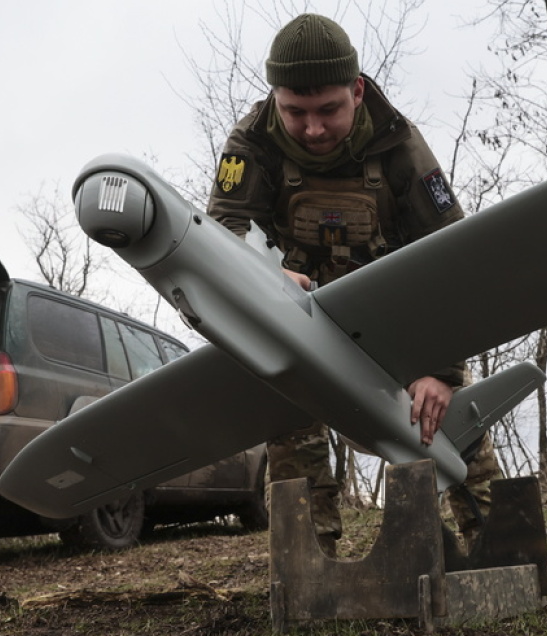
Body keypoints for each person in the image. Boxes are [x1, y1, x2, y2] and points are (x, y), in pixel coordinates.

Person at [206, 13, 502, 557]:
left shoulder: (399, 145)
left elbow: (457, 257)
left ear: (357, 91)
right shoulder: (252, 143)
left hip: (394, 315)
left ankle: (499, 547)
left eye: (328, 110)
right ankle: (309, 568)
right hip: (299, 317)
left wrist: (441, 371)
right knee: (290, 427)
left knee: (449, 419)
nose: (313, 129)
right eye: (295, 112)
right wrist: (261, 275)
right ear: (275, 98)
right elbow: (221, 232)